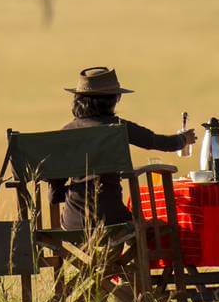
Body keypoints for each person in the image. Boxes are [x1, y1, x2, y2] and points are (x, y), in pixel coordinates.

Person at [52, 67, 196, 230]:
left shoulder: (66, 132)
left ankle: (104, 257)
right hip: (113, 218)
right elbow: (155, 142)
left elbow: (54, 189)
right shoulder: (119, 128)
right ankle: (122, 256)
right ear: (114, 99)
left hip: (73, 222)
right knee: (152, 228)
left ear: (78, 99)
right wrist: (183, 139)